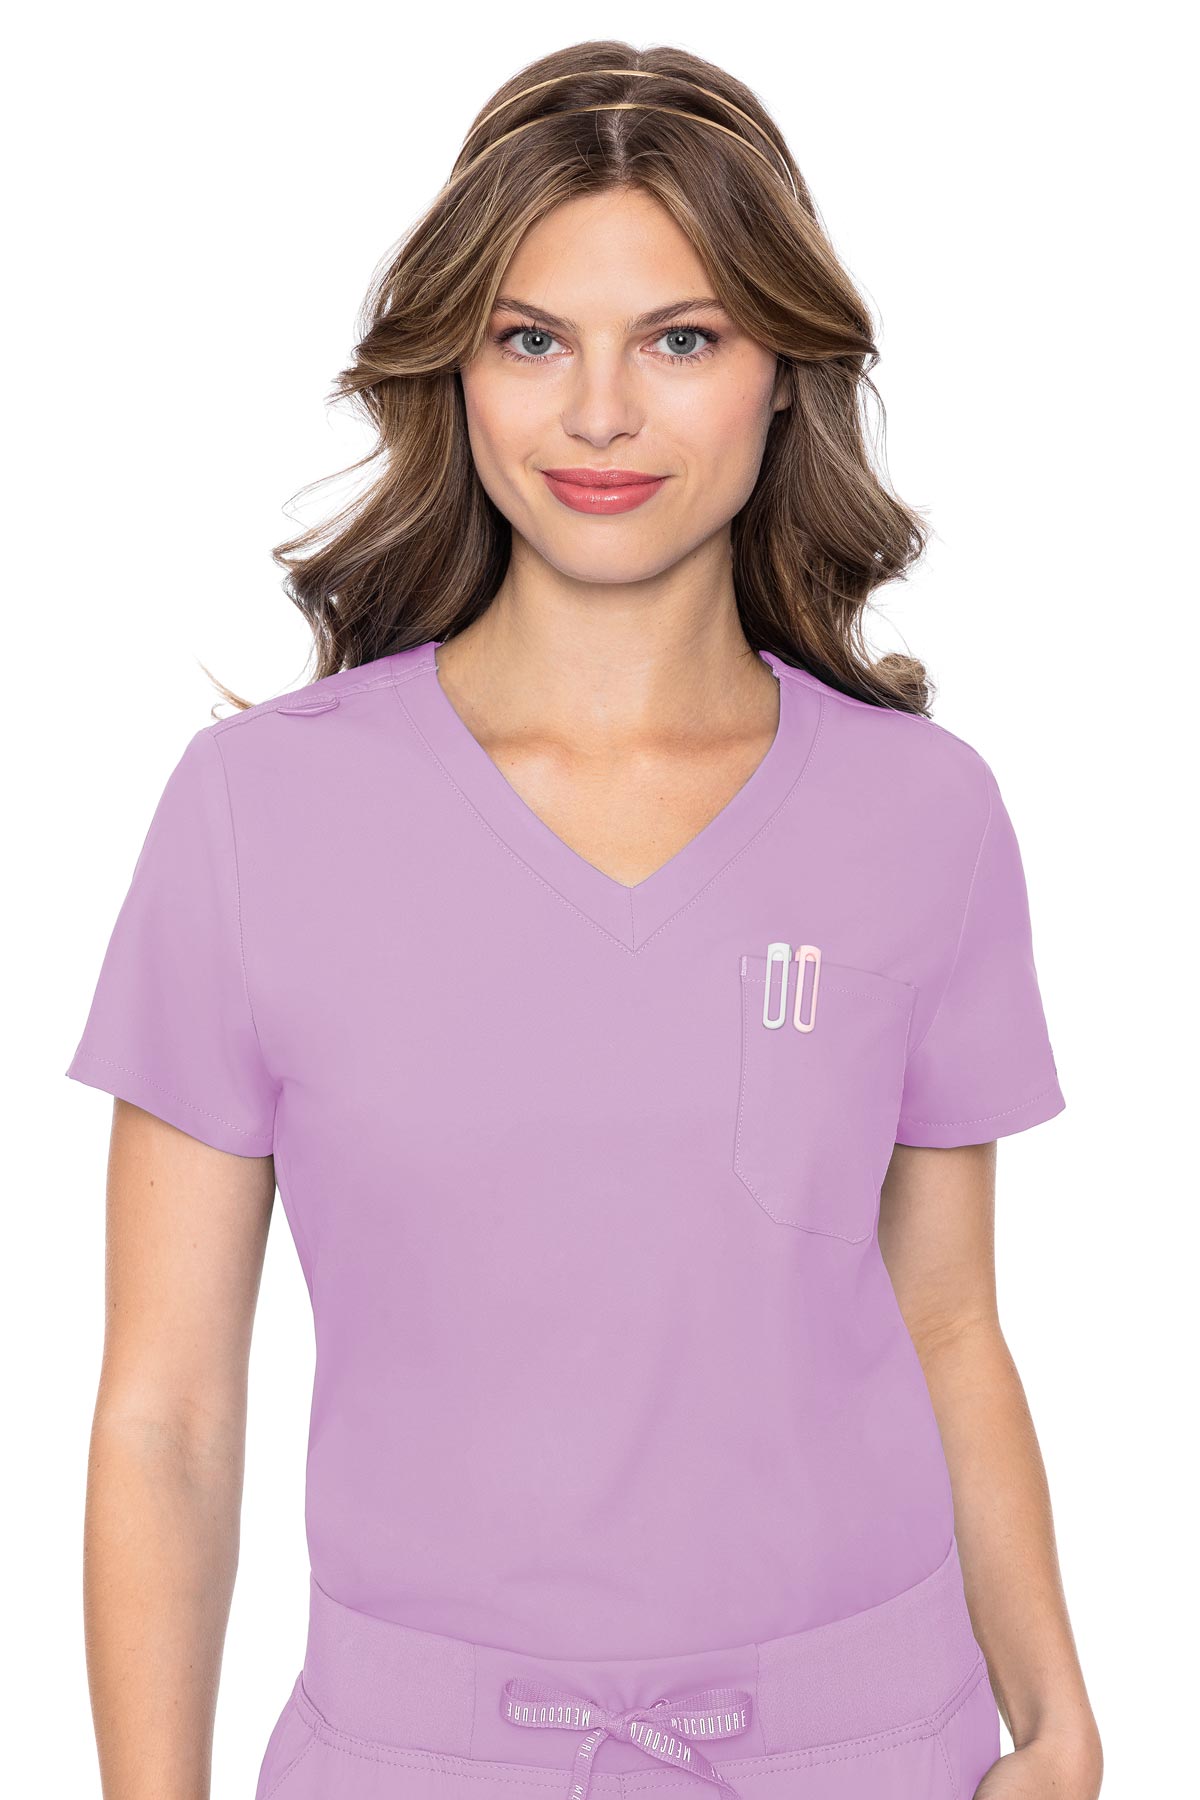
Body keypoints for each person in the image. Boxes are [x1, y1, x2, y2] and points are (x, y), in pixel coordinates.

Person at [64, 40, 1104, 1800]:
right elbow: (166, 1413)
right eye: (532, 339)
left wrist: (1057, 1718)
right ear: (456, 372)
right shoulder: (256, 814)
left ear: (785, 376)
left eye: (680, 340)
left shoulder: (923, 816)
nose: (600, 414)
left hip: (871, 1752)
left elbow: (948, 1322)